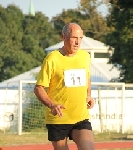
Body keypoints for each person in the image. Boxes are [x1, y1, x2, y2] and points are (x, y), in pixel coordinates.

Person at [34, 22, 94, 150]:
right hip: (58, 118)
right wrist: (52, 105)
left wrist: (88, 95)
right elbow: (38, 88)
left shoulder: (85, 57)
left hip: (80, 117)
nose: (77, 42)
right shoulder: (52, 59)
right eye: (74, 38)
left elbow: (87, 77)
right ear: (64, 37)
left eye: (80, 38)